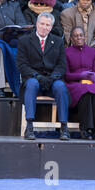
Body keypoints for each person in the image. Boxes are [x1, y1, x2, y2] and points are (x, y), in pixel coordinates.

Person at [17, 12, 70, 140]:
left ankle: (64, 128)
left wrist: (52, 77)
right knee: (31, 84)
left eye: (47, 25)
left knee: (61, 86)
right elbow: (22, 65)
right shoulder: (24, 41)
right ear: (36, 24)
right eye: (42, 24)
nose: (44, 27)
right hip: (33, 78)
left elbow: (62, 65)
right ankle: (29, 127)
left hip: (52, 79)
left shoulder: (58, 41)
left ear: (51, 27)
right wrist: (36, 76)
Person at [65, 26, 95, 140]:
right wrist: (80, 76)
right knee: (85, 91)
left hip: (91, 81)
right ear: (71, 38)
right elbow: (66, 75)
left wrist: (94, 77)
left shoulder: (93, 52)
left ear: (85, 37)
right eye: (76, 36)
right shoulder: (66, 52)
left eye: (81, 35)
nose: (79, 38)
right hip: (74, 83)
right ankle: (85, 129)